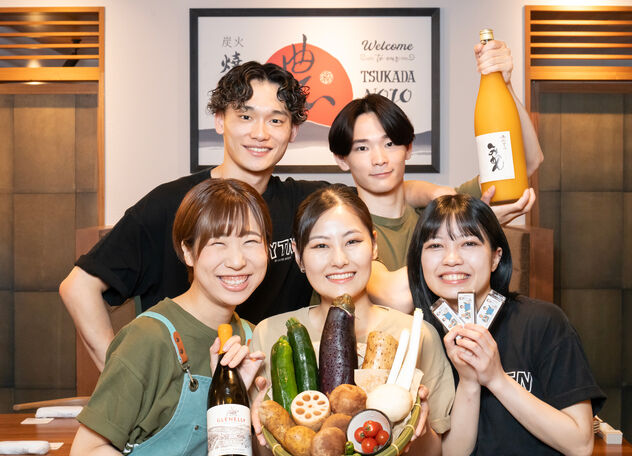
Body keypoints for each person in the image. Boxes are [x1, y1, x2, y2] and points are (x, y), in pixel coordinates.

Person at [59, 61, 450, 372]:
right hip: (187, 394)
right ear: (220, 121)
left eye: (276, 120)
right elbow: (78, 287)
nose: (260, 133)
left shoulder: (304, 202)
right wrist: (122, 376)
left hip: (277, 394)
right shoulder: (172, 203)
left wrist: (434, 194)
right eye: (245, 117)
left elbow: (374, 190)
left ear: (293, 131)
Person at [69, 179, 273, 456]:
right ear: (187, 251)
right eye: (218, 243)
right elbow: (85, 453)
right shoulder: (148, 337)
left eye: (251, 241)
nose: (237, 260)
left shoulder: (256, 338)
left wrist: (255, 408)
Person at [249, 185, 456, 456]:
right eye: (321, 246)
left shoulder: (415, 335)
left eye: (353, 241)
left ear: (374, 245)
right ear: (298, 255)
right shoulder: (269, 333)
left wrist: (417, 424)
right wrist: (261, 418)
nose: (339, 260)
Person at [330, 39, 542, 314]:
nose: (379, 158)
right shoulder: (344, 229)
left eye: (390, 143)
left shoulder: (438, 210)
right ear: (342, 159)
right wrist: (475, 229)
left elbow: (527, 163)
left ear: (408, 149)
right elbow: (395, 297)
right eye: (362, 148)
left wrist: (505, 84)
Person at [405, 194, 605, 456]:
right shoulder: (417, 337)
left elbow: (581, 446)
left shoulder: (543, 322)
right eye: (435, 245)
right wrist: (470, 382)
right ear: (420, 260)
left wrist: (496, 378)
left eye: (469, 243)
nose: (452, 259)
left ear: (496, 257)